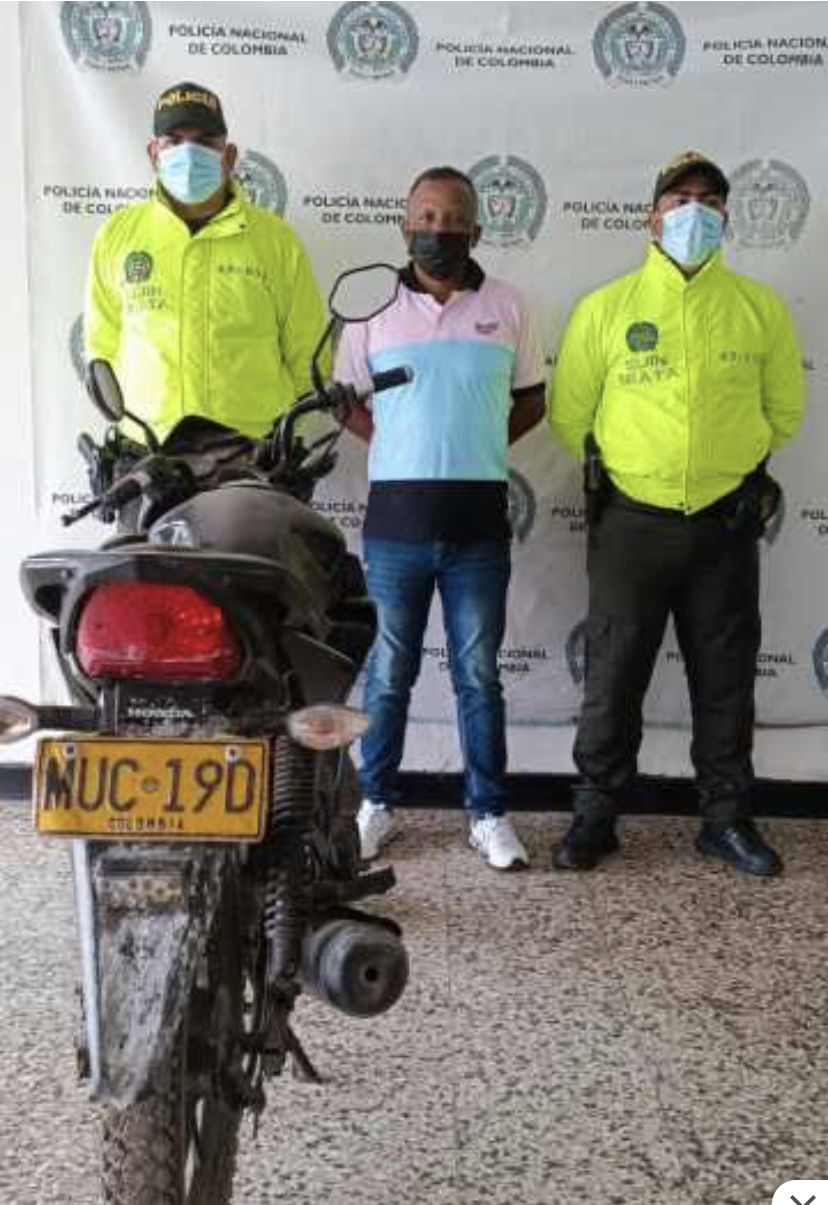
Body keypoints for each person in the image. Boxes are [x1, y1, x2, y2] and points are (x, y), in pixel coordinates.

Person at [548, 151, 805, 876]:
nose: (695, 210)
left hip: (725, 524)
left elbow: (783, 410)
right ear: (651, 216)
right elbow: (574, 417)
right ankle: (596, 815)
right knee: (613, 675)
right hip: (632, 522)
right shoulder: (608, 307)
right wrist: (641, 467)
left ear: (726, 216)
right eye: (679, 197)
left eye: (710, 199)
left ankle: (725, 820)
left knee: (725, 678)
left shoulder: (758, 308)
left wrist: (727, 466)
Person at [334, 166, 546, 870]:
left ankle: (489, 813)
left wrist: (476, 443)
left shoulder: (511, 306)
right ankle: (376, 805)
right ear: (404, 226)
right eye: (423, 217)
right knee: (389, 672)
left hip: (478, 528)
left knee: (478, 675)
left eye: (451, 219)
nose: (436, 230)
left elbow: (532, 400)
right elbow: (346, 402)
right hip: (394, 527)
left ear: (477, 229)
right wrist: (399, 445)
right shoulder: (370, 310)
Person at [84, 82, 328, 439]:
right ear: (153, 154)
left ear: (228, 155)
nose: (189, 152)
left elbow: (309, 358)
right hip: (149, 454)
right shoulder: (117, 237)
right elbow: (100, 349)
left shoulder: (277, 242)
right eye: (174, 141)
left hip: (251, 457)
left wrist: (282, 442)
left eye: (204, 142)